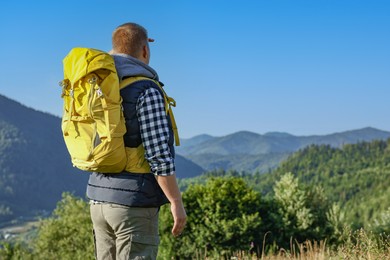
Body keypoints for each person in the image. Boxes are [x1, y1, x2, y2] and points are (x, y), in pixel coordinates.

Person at [86, 22, 187, 260]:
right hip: (132, 205)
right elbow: (158, 155)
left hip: (98, 199)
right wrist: (175, 201)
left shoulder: (98, 88)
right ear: (144, 50)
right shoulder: (146, 90)